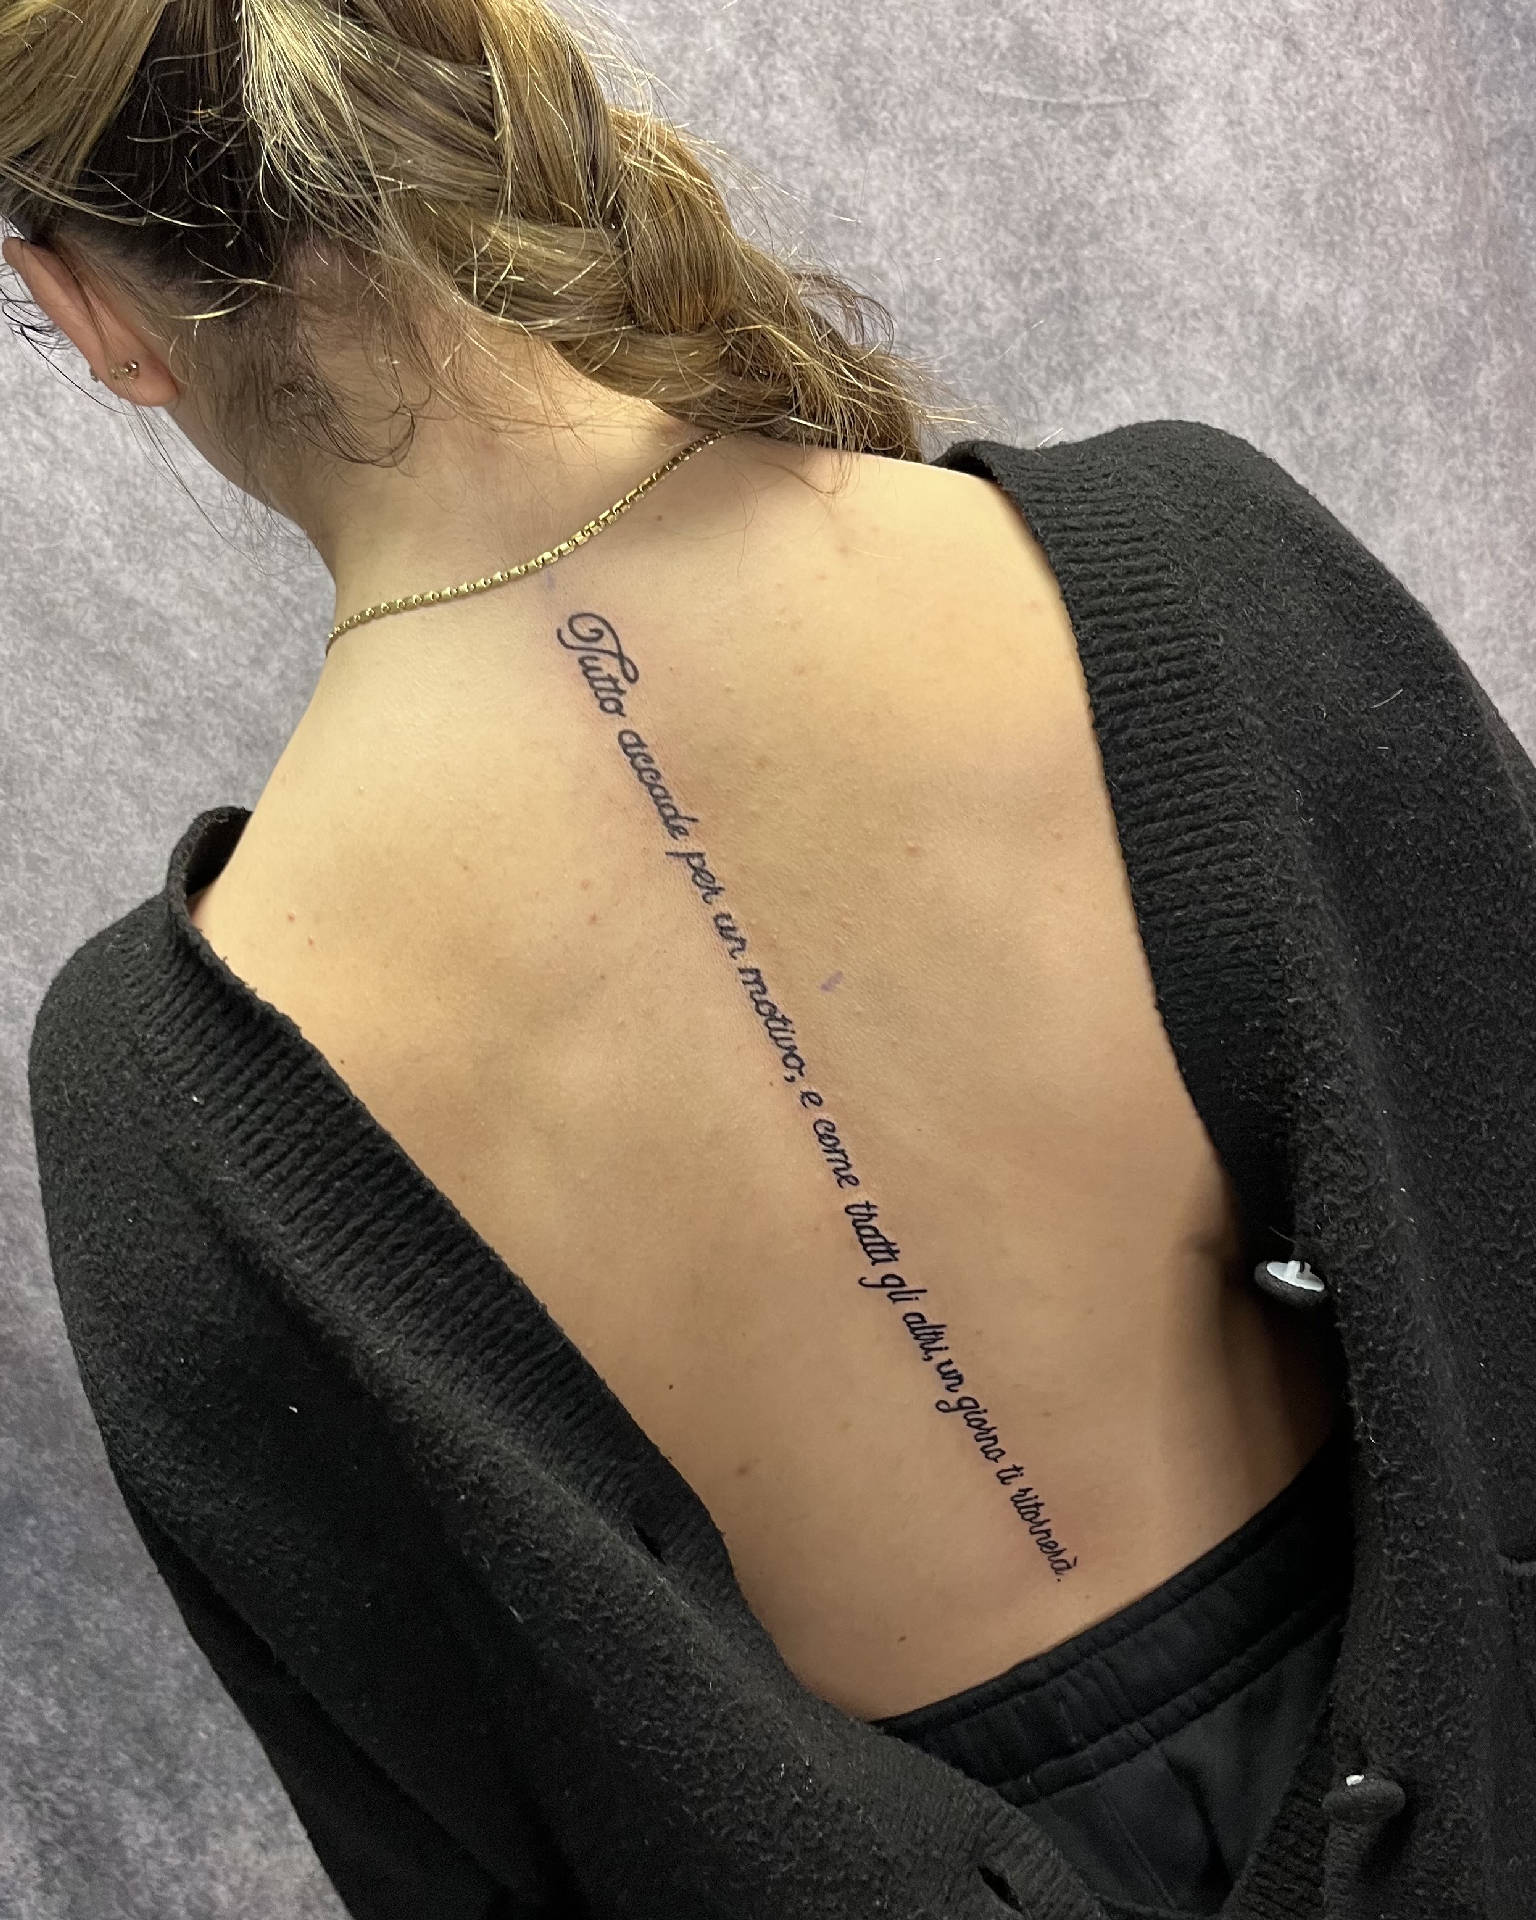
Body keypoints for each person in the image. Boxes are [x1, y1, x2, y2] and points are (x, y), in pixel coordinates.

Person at [12, 6, 1536, 1919]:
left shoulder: (163, 1107)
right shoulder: (1190, 571)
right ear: (475, 84)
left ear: (91, 311)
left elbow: (449, 1821)